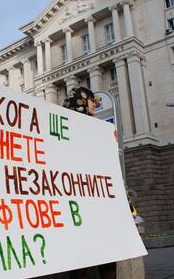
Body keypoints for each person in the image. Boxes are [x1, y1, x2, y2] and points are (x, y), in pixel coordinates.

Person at [62, 86, 116, 279]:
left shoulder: (94, 127)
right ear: (84, 101)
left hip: (93, 197)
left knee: (97, 252)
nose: (96, 104)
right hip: (82, 200)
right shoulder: (69, 127)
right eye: (93, 100)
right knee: (100, 252)